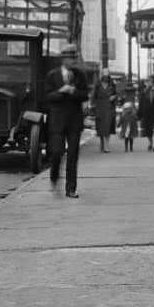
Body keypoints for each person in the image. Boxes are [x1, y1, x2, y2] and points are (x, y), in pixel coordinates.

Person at [43, 44, 89, 198]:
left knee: (73, 155)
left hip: (74, 121)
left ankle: (71, 189)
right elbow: (48, 97)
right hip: (57, 121)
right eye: (70, 58)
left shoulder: (80, 75)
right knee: (56, 152)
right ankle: (54, 177)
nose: (73, 61)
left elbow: (84, 95)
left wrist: (74, 91)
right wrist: (61, 91)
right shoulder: (52, 75)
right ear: (63, 59)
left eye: (74, 58)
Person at [91, 68, 118, 153]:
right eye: (104, 73)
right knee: (100, 127)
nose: (106, 75)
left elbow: (116, 93)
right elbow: (93, 95)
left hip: (109, 107)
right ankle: (102, 143)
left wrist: (114, 97)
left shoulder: (112, 84)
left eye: (107, 73)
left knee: (107, 125)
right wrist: (92, 105)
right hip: (100, 107)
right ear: (102, 74)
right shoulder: (98, 84)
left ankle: (107, 146)